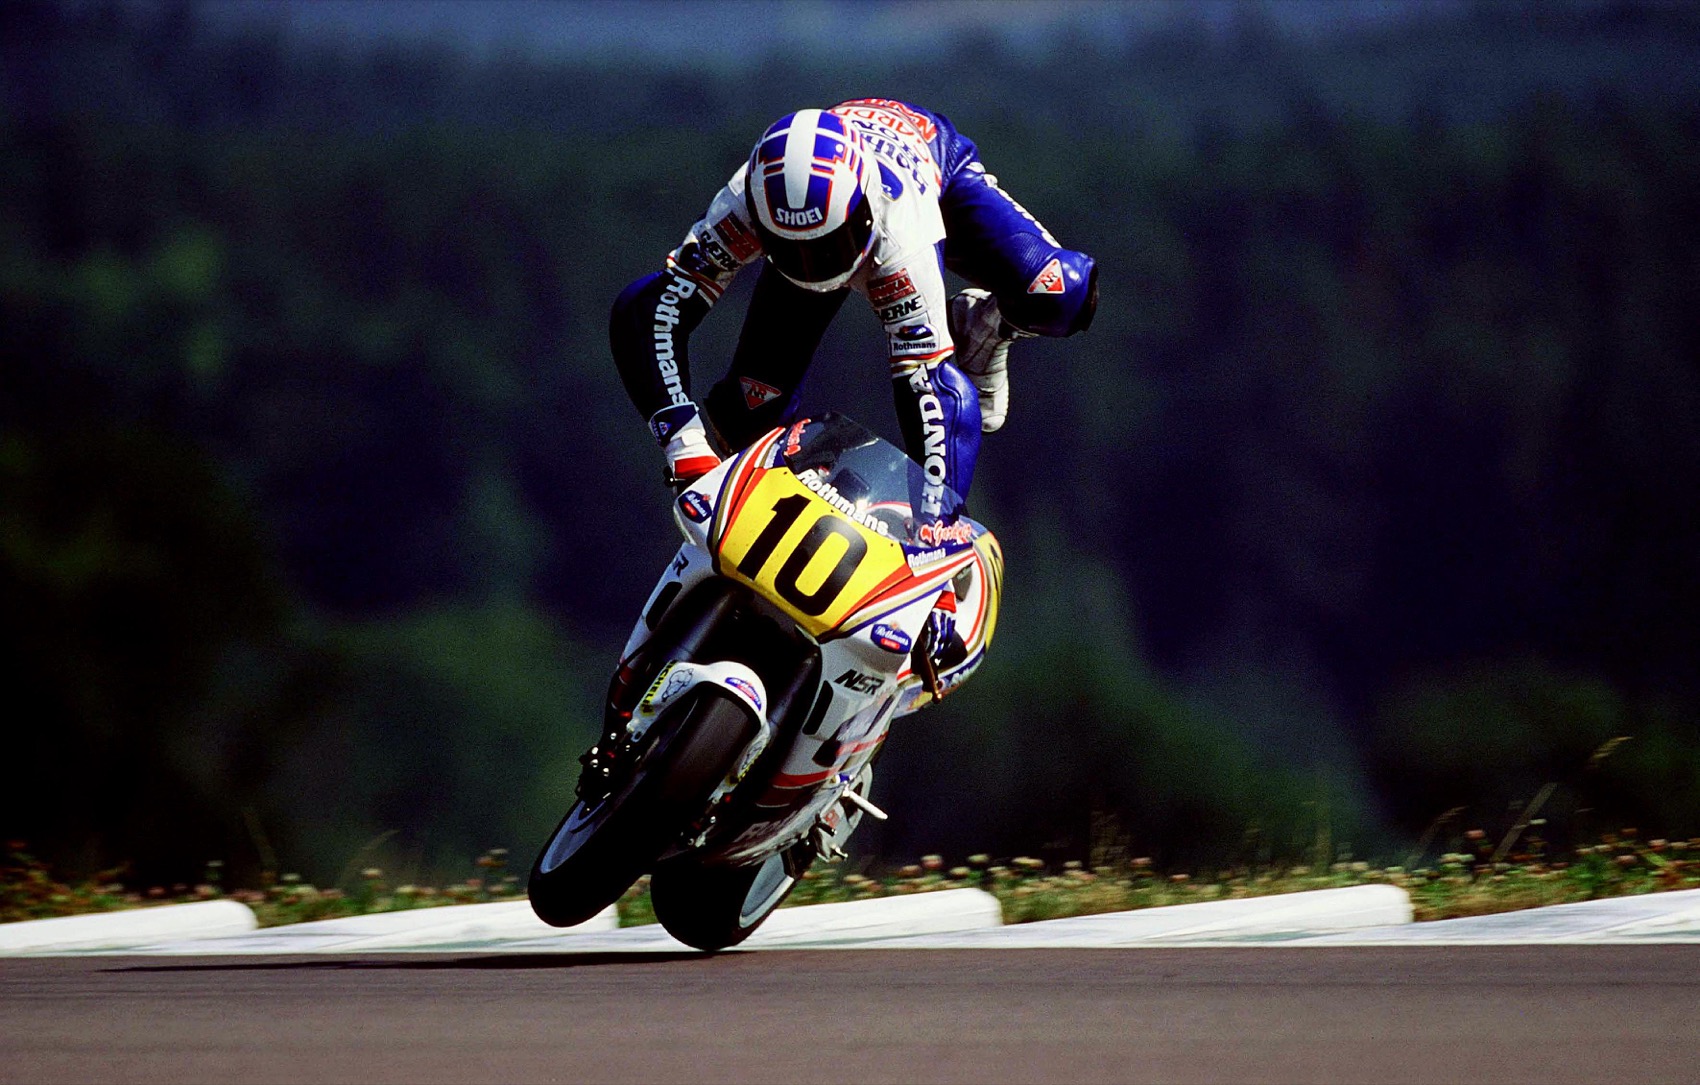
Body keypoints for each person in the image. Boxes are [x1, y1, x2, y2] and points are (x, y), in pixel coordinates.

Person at [608, 98, 1097, 508]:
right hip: (834, 201)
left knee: (1062, 292)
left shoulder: (903, 235)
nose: (813, 269)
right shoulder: (743, 203)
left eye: (824, 250)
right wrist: (683, 442)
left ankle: (987, 326)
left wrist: (935, 523)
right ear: (763, 218)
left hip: (929, 165)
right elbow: (652, 311)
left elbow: (931, 389)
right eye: (793, 249)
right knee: (744, 421)